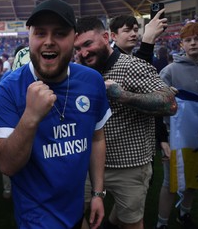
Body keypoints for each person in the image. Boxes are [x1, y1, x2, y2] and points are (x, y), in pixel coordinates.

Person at [0, 0, 111, 229]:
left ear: (74, 38)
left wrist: (97, 192)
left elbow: (97, 138)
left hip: (76, 209)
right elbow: (6, 165)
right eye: (40, 33)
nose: (48, 42)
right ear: (29, 37)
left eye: (59, 33)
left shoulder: (91, 80)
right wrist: (30, 117)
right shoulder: (9, 88)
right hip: (35, 219)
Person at [73, 16, 177, 229]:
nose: (83, 53)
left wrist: (122, 95)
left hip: (129, 166)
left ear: (105, 37)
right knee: (72, 214)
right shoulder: (80, 71)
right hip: (88, 164)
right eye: (78, 48)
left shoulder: (132, 66)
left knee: (130, 222)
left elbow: (170, 104)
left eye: (88, 44)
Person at [155, 22, 198, 229]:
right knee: (170, 182)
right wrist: (162, 138)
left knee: (193, 179)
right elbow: (158, 104)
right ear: (181, 44)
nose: (193, 43)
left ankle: (184, 214)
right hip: (175, 136)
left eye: (197, 38)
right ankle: (162, 223)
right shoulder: (170, 71)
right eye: (188, 40)